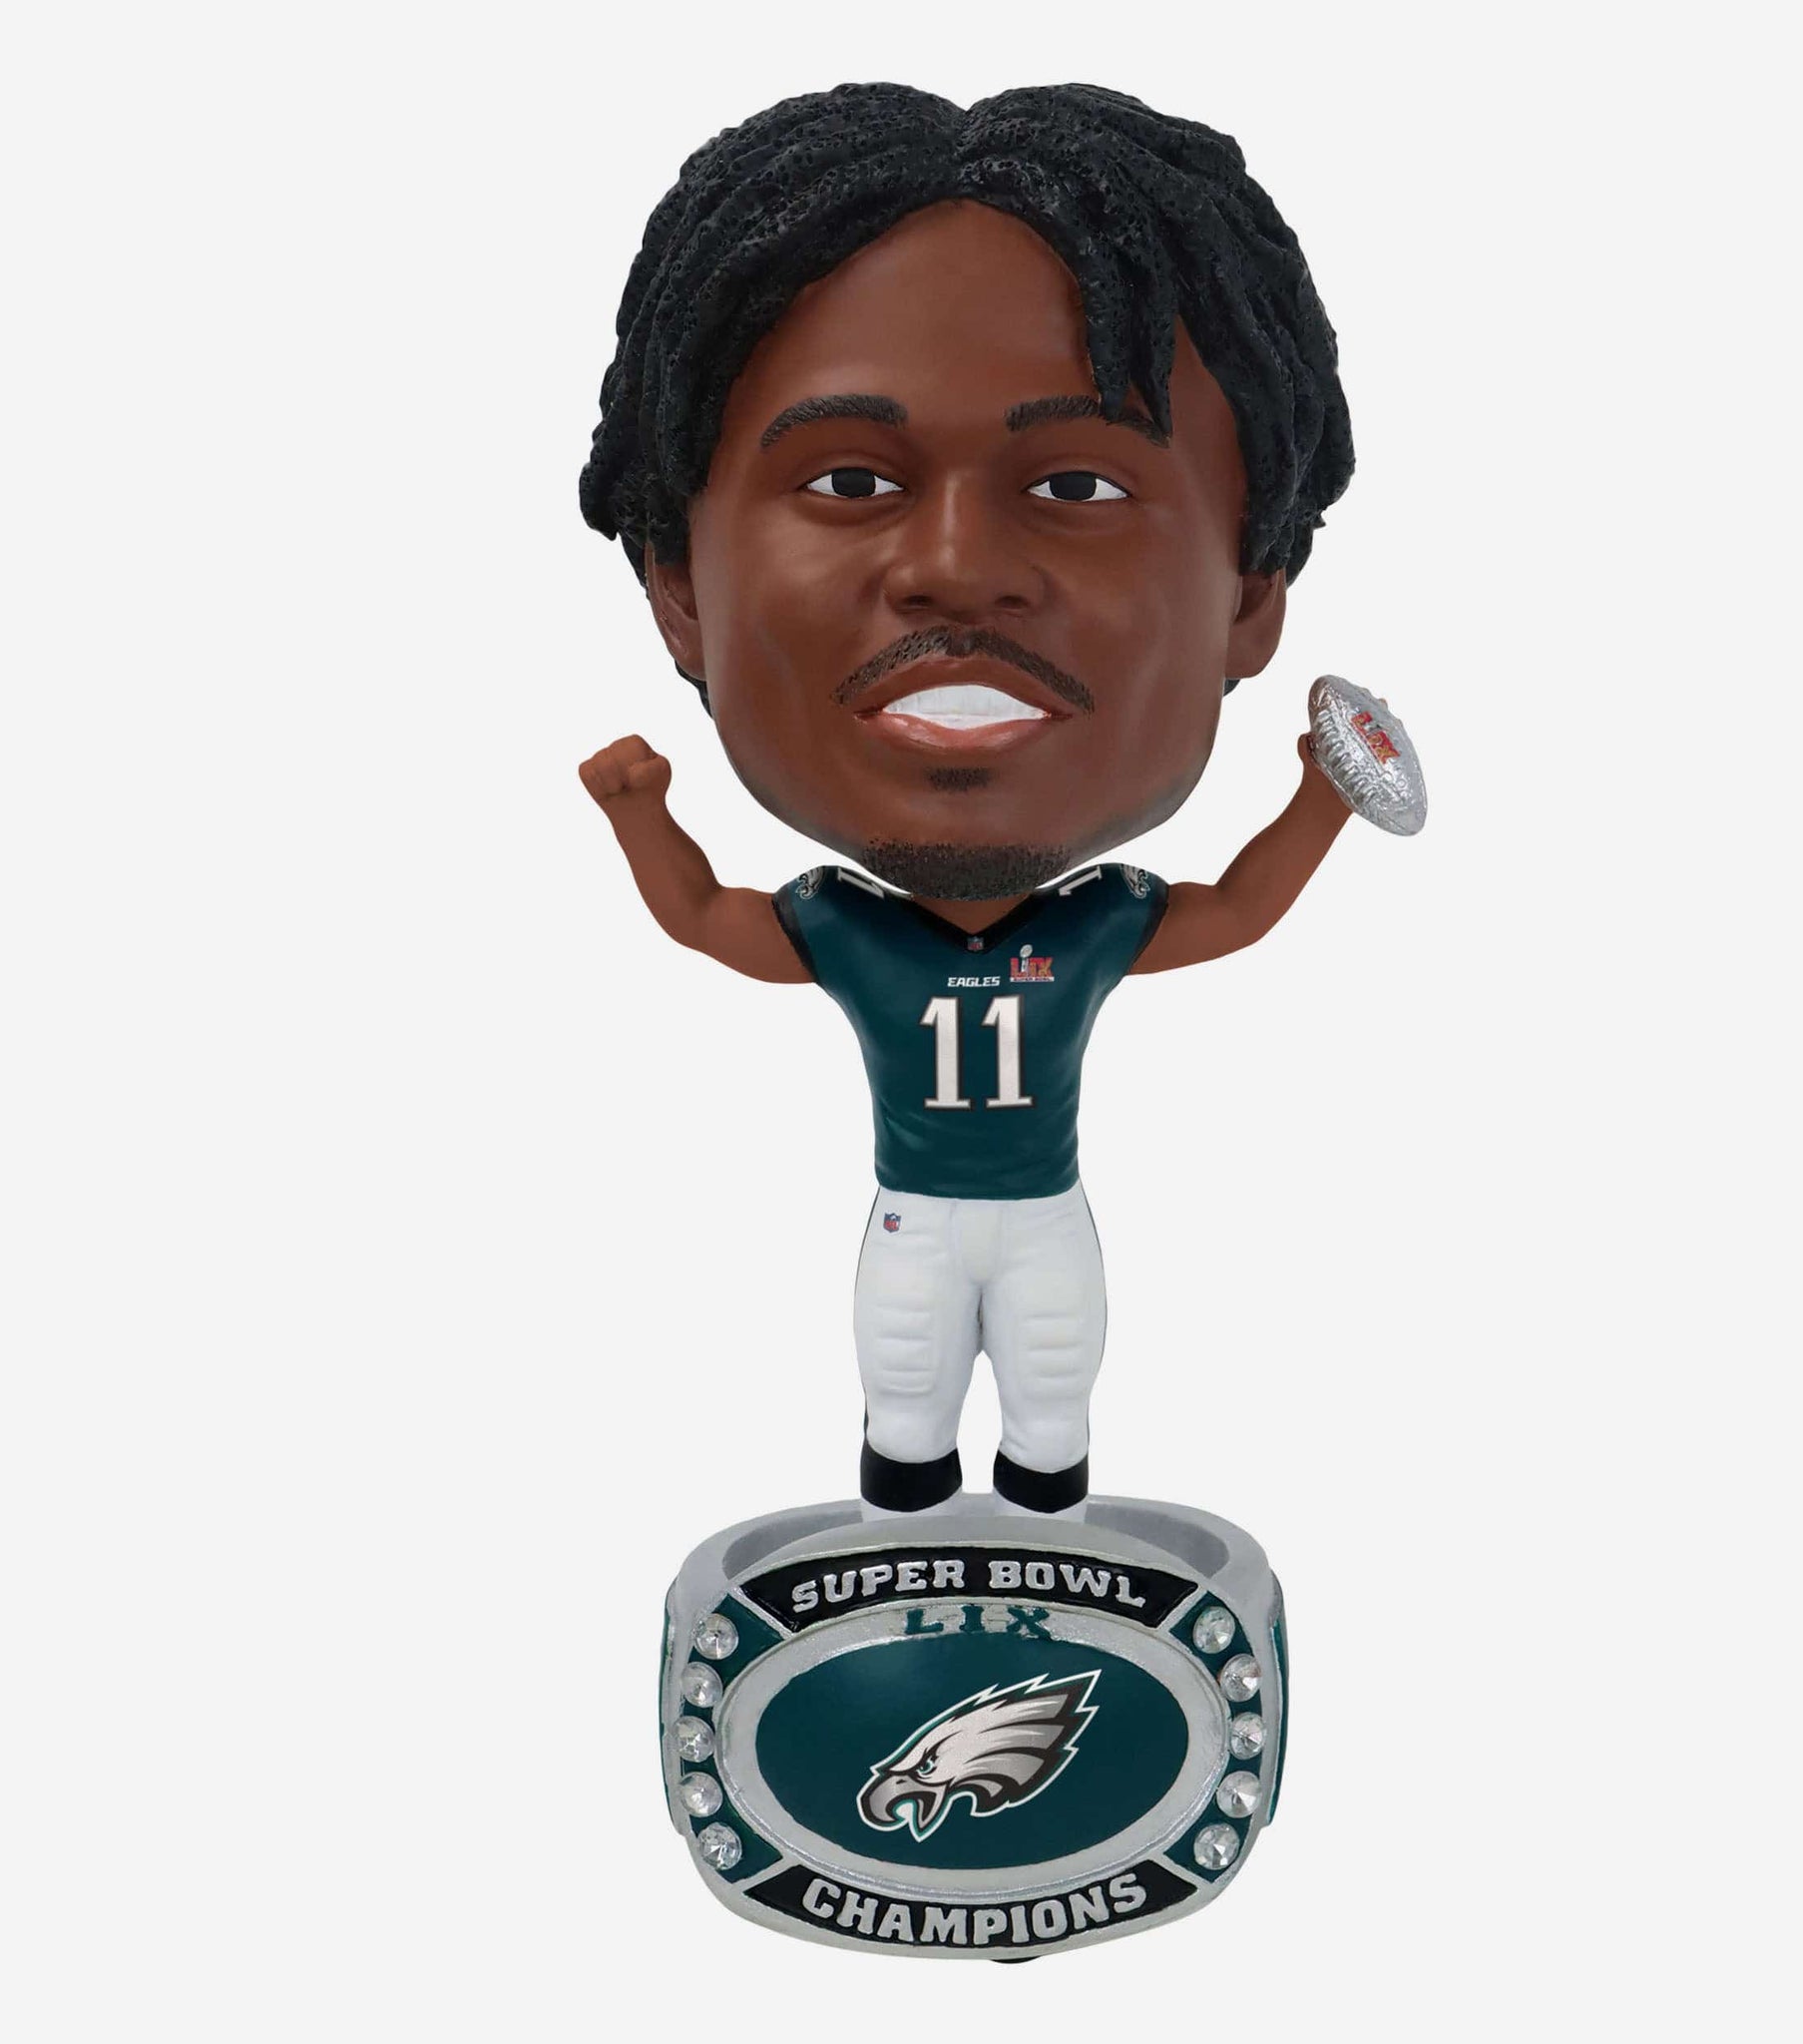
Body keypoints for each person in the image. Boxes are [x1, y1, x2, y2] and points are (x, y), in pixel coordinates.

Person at [578, 83, 1356, 1515]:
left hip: (1040, 1224)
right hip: (916, 1227)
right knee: (906, 1390)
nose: (954, 567)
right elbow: (704, 918)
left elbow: (1240, 910)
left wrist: (1330, 792)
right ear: (676, 584)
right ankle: (907, 1543)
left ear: (1254, 590)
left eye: (1078, 486)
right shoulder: (850, 930)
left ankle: (1050, 1543)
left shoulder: (1096, 923)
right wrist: (639, 815)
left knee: (1053, 1397)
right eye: (850, 478)